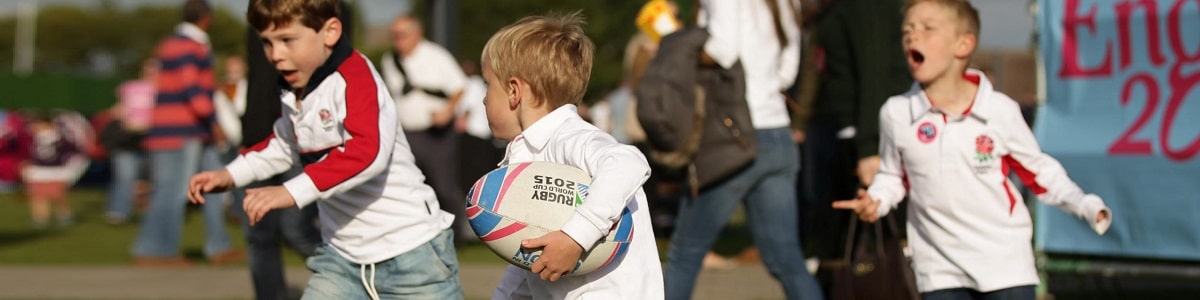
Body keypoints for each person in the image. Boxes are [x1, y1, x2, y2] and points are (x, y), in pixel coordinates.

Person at [832, 1, 1113, 298]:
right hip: (938, 271)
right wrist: (875, 200)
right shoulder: (896, 113)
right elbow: (893, 175)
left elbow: (1040, 173)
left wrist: (1084, 204)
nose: (913, 37)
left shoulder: (999, 111)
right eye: (907, 31)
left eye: (928, 29)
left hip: (1006, 267)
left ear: (963, 44)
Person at [188, 0, 462, 298]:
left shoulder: (355, 78)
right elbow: (284, 144)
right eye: (267, 43)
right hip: (341, 259)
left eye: (287, 40)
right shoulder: (297, 89)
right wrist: (229, 175)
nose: (276, 55)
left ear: (330, 32)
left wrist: (290, 191)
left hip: (410, 252)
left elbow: (367, 154)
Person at [483, 12, 664, 299]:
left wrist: (575, 237)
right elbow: (529, 250)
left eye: (487, 86)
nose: (483, 98)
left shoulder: (569, 136)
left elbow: (627, 162)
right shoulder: (529, 153)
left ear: (514, 91)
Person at [664, 0, 825, 299]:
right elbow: (787, 73)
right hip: (777, 133)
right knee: (787, 259)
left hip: (733, 137)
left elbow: (723, 49)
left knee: (685, 254)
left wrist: (678, 47)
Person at [132, 0, 240, 267]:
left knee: (212, 186)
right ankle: (155, 250)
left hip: (189, 129)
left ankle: (219, 245)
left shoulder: (175, 43)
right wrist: (215, 122)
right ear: (206, 18)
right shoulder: (188, 46)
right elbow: (193, 88)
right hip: (180, 130)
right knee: (171, 191)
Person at [379, 15, 472, 244]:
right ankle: (417, 237)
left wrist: (448, 111)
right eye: (394, 36)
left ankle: (454, 237)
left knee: (444, 186)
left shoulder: (436, 55)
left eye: (401, 35)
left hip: (435, 134)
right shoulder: (389, 60)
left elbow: (460, 87)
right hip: (405, 133)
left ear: (416, 33)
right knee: (406, 186)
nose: (397, 41)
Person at [105, 58, 157, 224]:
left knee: (155, 178)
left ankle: (153, 212)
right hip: (128, 138)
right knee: (125, 176)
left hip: (153, 138)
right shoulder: (130, 87)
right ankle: (118, 212)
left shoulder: (167, 91)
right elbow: (120, 108)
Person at [22, 113, 78, 229]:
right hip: (38, 172)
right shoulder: (32, 139)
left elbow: (71, 153)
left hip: (55, 172)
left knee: (58, 196)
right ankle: (40, 217)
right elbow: (28, 154)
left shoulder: (60, 139)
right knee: (38, 196)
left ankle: (64, 215)